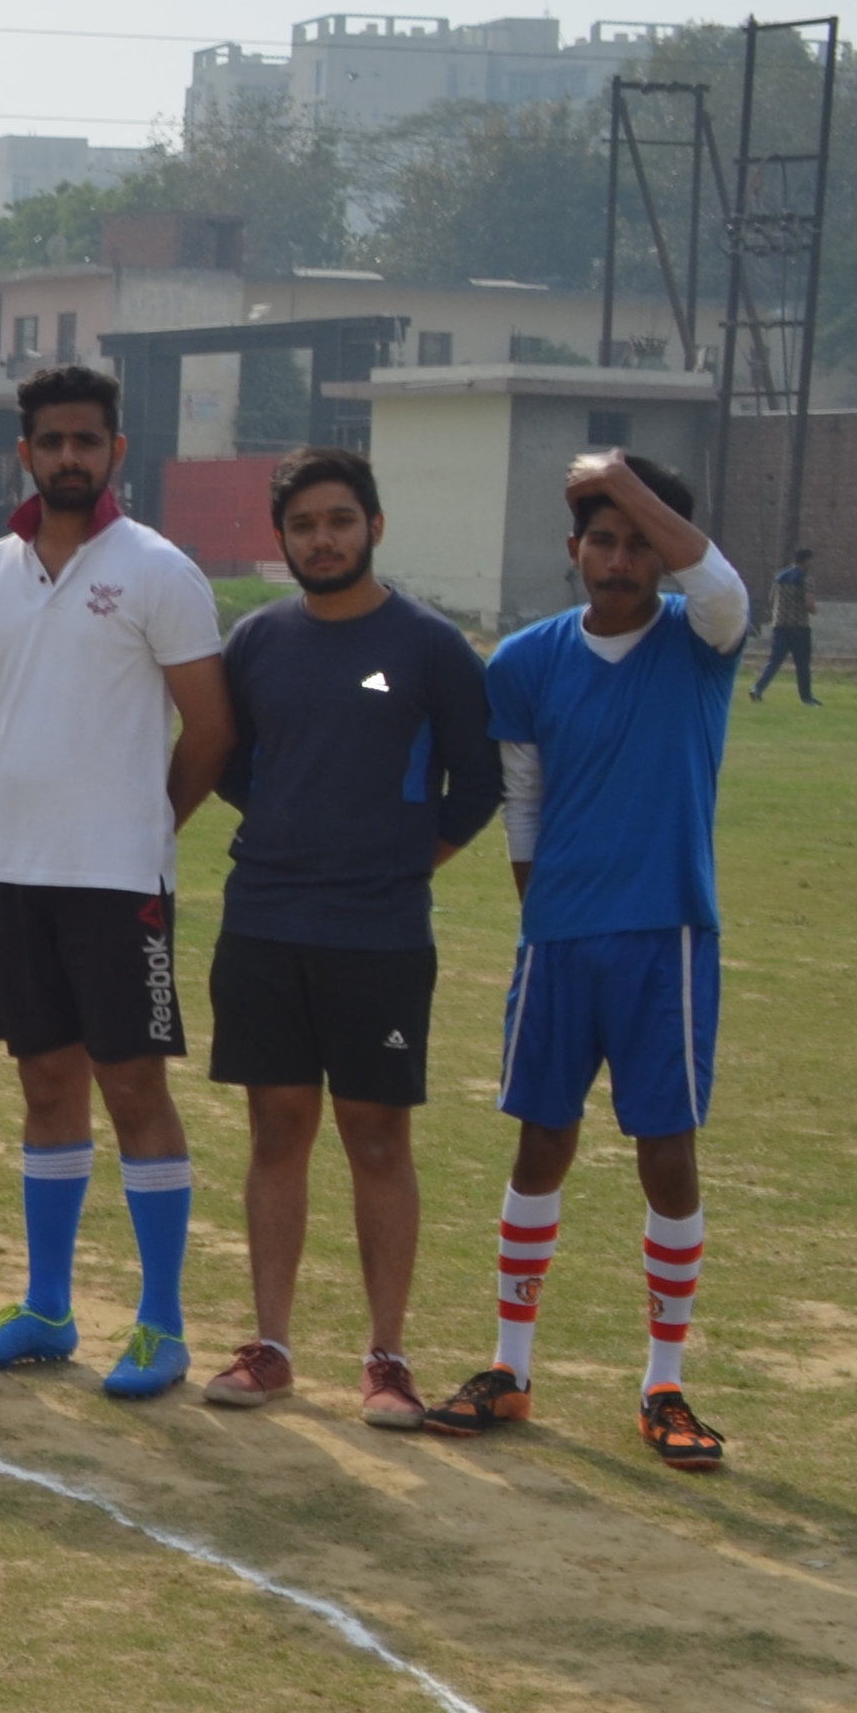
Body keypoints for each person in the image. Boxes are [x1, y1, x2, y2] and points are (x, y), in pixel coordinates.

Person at [0, 366, 232, 1397]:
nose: (69, 457)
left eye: (87, 440)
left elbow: (212, 730)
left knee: (134, 1088)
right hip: (14, 870)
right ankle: (47, 1309)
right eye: (51, 441)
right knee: (44, 1085)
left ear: (116, 450)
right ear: (24, 453)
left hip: (118, 882)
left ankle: (160, 1325)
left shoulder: (158, 569)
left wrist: (145, 825)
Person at [451, 452, 748, 1469]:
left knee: (666, 1148)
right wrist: (545, 916)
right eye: (602, 540)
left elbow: (722, 585)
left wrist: (621, 478)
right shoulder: (524, 662)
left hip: (666, 934)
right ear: (574, 549)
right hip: (559, 943)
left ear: (661, 552)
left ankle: (664, 1382)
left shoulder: (701, 639)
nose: (619, 560)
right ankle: (509, 1367)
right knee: (540, 1141)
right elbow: (523, 804)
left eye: (638, 543)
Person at [203, 447, 499, 1420]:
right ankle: (270, 1347)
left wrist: (403, 862)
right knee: (275, 1130)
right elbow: (229, 761)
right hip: (263, 924)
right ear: (281, 538)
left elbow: (478, 783)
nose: (321, 540)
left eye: (338, 521)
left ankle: (386, 1358)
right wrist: (290, 830)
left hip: (379, 938)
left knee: (376, 1138)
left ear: (374, 525)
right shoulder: (254, 641)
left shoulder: (429, 646)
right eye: (302, 526)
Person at [750, 545, 817, 704]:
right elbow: (809, 604)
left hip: (779, 625)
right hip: (799, 627)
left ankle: (757, 688)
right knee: (802, 664)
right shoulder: (805, 579)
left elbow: (771, 599)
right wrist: (814, 610)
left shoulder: (779, 577)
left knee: (774, 661)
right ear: (806, 560)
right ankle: (806, 698)